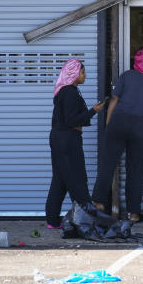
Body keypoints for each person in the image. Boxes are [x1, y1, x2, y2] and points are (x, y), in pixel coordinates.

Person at [92, 47, 143, 227]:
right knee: (135, 171)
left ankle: (98, 203)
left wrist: (108, 125)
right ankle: (133, 213)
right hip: (140, 127)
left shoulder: (126, 76)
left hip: (118, 122)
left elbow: (114, 101)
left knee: (107, 165)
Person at [45, 57, 105, 229]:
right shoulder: (70, 92)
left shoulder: (66, 91)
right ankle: (86, 218)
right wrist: (93, 111)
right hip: (67, 141)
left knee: (60, 180)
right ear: (74, 73)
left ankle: (52, 221)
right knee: (77, 178)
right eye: (83, 72)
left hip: (60, 139)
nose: (85, 75)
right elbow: (71, 120)